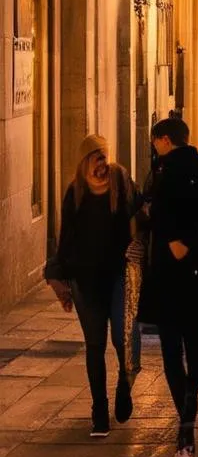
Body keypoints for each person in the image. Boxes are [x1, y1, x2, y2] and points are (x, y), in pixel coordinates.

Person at [44, 136, 144, 437]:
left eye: (104, 157)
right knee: (95, 345)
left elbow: (139, 215)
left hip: (118, 275)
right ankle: (98, 410)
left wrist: (140, 242)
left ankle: (124, 386)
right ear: (85, 161)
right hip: (85, 281)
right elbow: (66, 239)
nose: (101, 164)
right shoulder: (75, 191)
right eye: (96, 158)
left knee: (123, 338)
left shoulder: (121, 181)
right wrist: (58, 275)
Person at [139, 116, 198, 457]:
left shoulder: (162, 171)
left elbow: (153, 215)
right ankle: (188, 415)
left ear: (165, 140)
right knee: (197, 350)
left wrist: (172, 239)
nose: (155, 147)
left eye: (156, 141)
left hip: (168, 273)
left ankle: (186, 426)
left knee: (172, 352)